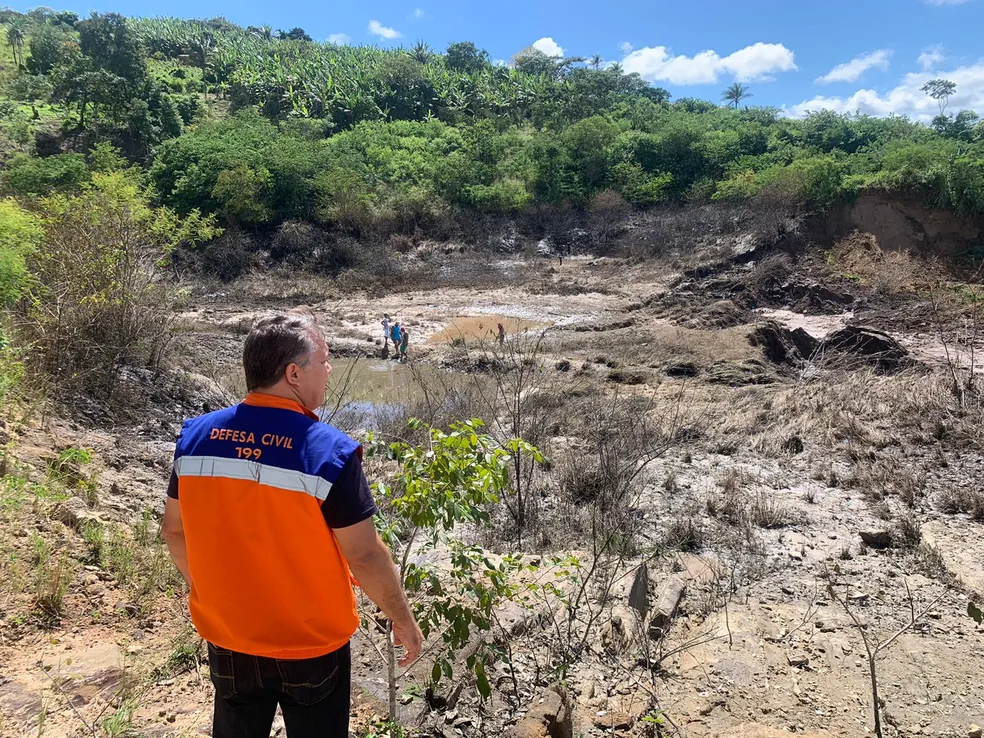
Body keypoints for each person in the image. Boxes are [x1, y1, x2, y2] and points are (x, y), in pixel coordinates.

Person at [161, 313, 423, 738]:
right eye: (324, 360)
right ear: (294, 373)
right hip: (311, 645)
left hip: (228, 636)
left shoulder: (195, 438)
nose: (330, 369)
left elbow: (173, 531)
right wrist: (403, 620)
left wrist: (210, 590)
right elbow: (365, 555)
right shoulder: (328, 452)